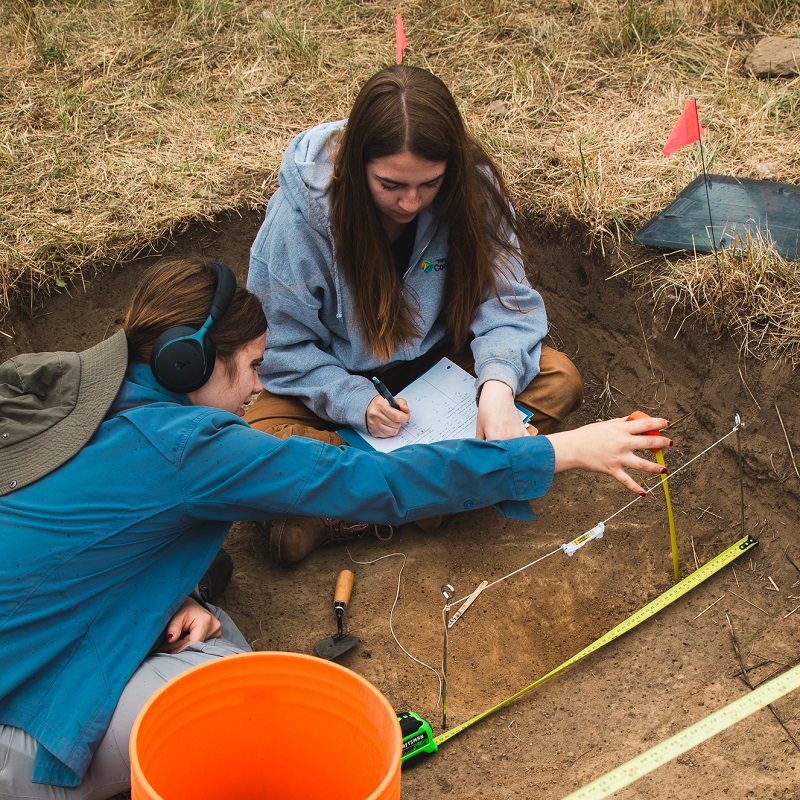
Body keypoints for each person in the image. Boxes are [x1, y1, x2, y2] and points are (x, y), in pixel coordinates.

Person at [0, 256, 669, 800]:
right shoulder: (191, 446)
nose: (257, 392)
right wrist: (563, 451)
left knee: (211, 616)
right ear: (192, 364)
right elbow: (384, 484)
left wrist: (168, 598)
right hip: (14, 729)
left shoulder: (74, 383)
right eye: (255, 367)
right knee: (240, 706)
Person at [246, 65, 584, 560]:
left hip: (438, 366)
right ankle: (442, 495)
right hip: (333, 382)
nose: (409, 202)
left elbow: (508, 305)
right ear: (356, 165)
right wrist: (351, 400)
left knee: (560, 379)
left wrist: (495, 387)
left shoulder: (474, 191)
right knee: (255, 446)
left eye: (429, 185)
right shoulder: (297, 226)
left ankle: (346, 512)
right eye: (390, 185)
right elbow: (277, 347)